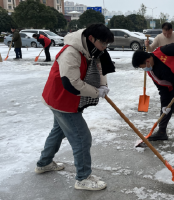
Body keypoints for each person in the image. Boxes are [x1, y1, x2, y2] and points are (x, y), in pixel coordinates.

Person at [35, 24, 116, 191]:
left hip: (64, 98)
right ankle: (83, 178)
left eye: (107, 44)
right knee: (82, 138)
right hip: (61, 99)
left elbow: (101, 68)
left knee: (58, 131)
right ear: (92, 38)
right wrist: (96, 92)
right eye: (103, 44)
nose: (105, 48)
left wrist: (103, 85)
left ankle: (44, 163)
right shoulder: (71, 52)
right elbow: (72, 84)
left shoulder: (93, 49)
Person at [145, 22, 174, 115]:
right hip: (164, 64)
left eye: (169, 33)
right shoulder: (159, 37)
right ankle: (167, 105)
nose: (167, 35)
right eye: (164, 33)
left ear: (172, 30)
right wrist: (147, 45)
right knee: (166, 86)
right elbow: (151, 49)